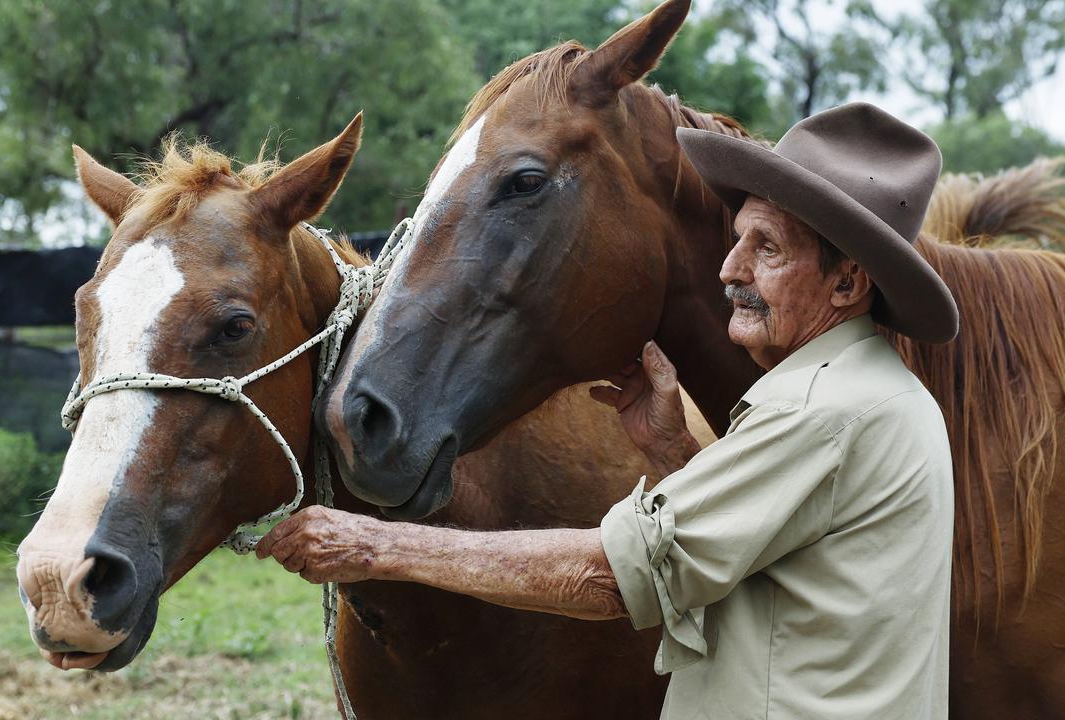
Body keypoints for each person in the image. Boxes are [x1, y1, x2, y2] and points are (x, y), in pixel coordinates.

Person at [256, 102, 959, 719]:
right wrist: (673, 456)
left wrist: (377, 546)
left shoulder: (823, 411)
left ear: (848, 281)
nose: (730, 269)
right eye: (739, 238)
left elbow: (611, 577)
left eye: (766, 249)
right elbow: (783, 556)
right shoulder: (876, 393)